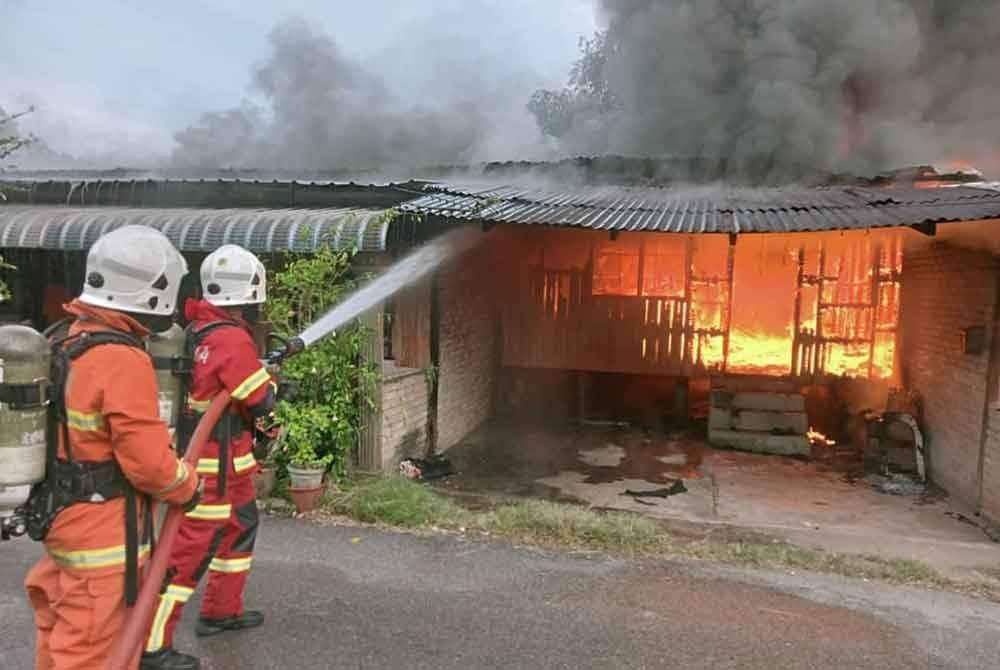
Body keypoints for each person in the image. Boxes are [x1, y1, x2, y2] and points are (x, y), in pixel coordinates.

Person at [24, 225, 200, 670]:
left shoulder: (65, 338)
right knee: (93, 654)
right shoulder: (121, 359)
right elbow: (148, 463)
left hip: (65, 522)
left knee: (60, 639)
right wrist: (186, 485)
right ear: (154, 289)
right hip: (103, 538)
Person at [141, 245, 277, 670]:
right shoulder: (231, 338)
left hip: (226, 463)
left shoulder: (201, 329)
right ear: (249, 293)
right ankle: (151, 643)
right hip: (212, 467)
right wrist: (272, 387)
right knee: (188, 552)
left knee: (240, 527)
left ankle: (221, 610)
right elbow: (259, 400)